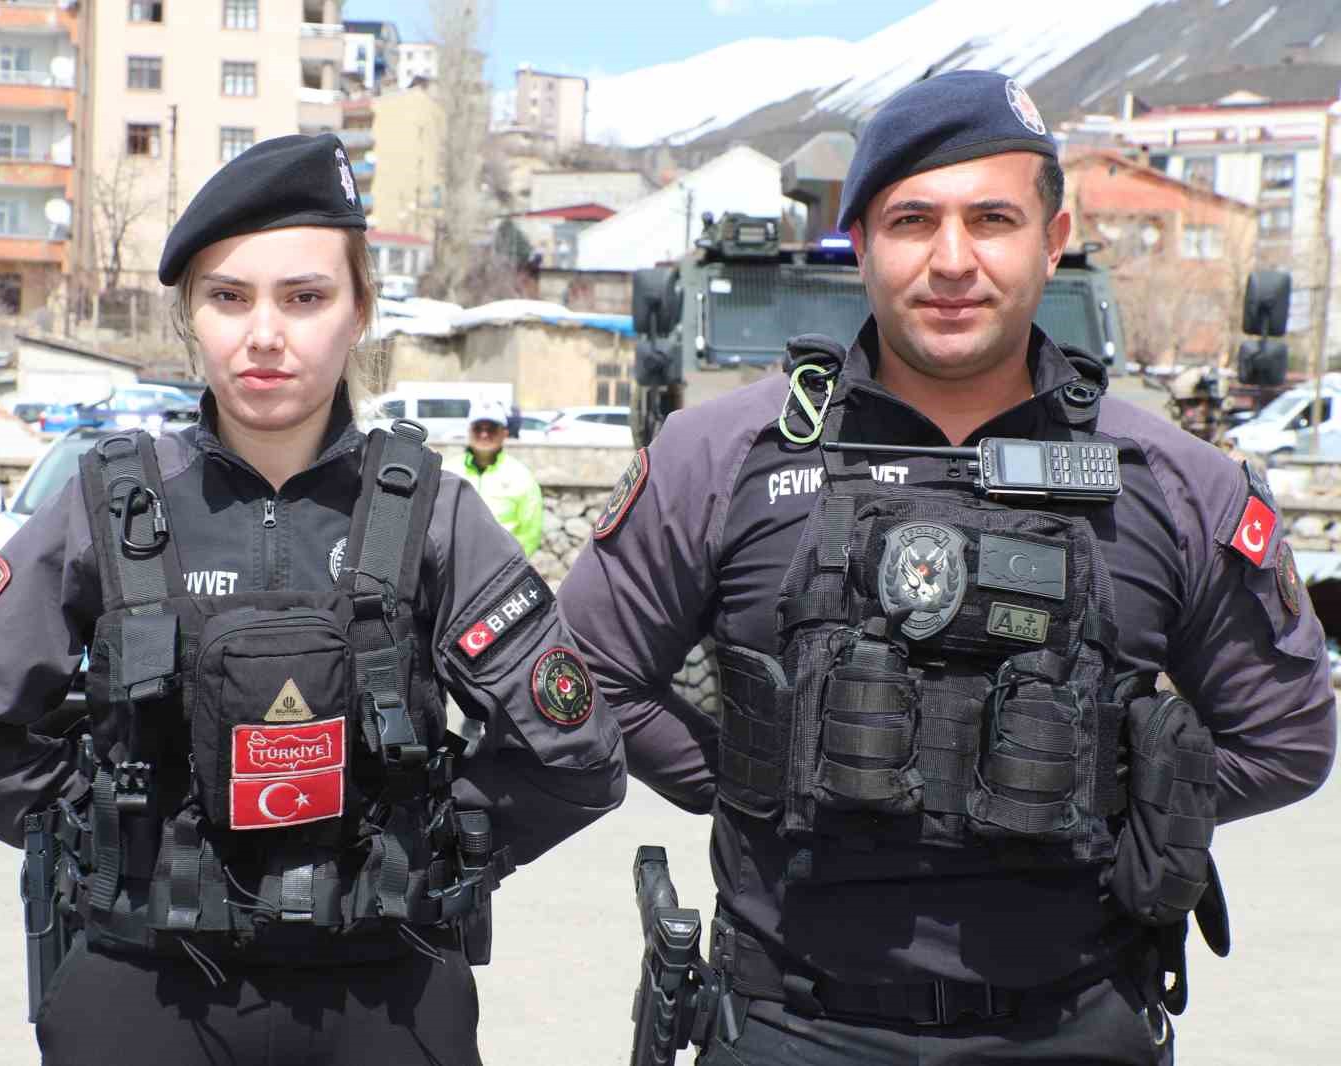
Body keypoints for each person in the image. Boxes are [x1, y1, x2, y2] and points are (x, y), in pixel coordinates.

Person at [559, 70, 1335, 1065]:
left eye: (993, 219)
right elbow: (584, 676)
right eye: (913, 219)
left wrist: (1102, 791)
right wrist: (755, 777)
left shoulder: (1170, 483)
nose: (952, 260)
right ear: (861, 242)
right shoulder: (722, 459)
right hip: (794, 1023)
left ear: (1052, 240)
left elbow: (1285, 738)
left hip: (1075, 1023)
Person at [0, 133, 624, 1066]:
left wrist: (430, 846)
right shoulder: (108, 504)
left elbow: (576, 756)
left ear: (360, 313)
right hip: (147, 986)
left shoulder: (433, 513)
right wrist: (97, 821)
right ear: (190, 314)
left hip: (383, 989)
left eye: (305, 297)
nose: (264, 333)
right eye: (229, 297)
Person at [459, 398, 544, 556]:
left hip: (502, 573)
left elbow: (531, 533)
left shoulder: (521, 476)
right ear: (469, 431)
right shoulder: (448, 471)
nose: (484, 434)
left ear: (504, 433)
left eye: (491, 429)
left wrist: (511, 570)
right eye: (478, 428)